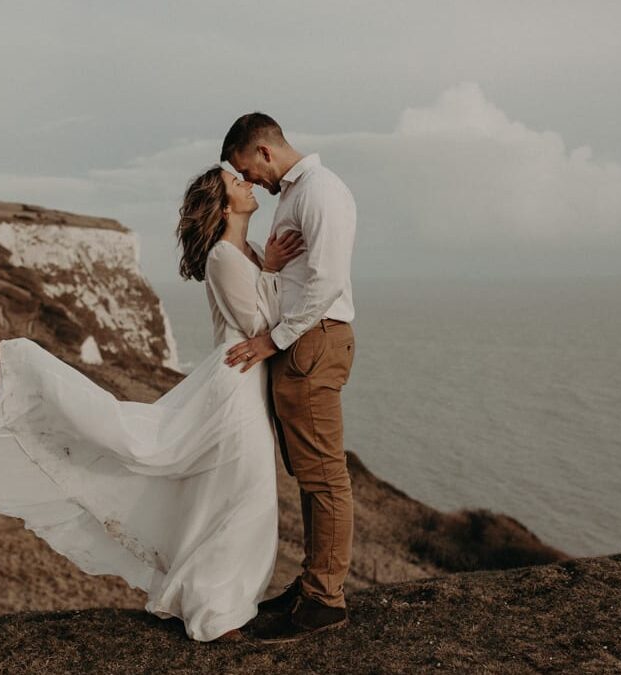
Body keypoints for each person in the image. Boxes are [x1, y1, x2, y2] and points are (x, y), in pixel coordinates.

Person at [0, 163, 303, 642]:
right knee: (240, 496)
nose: (250, 184)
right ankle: (216, 613)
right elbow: (259, 322)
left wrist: (268, 265)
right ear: (222, 205)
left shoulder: (248, 251)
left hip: (246, 383)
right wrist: (275, 270)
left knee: (237, 496)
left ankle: (221, 601)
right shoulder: (222, 255)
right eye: (238, 183)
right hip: (234, 388)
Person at [221, 113, 358, 643]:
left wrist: (270, 341)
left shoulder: (320, 191)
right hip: (303, 340)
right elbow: (294, 279)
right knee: (307, 470)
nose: (250, 181)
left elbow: (325, 281)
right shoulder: (295, 196)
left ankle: (326, 599)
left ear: (262, 150)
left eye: (247, 171)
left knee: (324, 473)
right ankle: (312, 583)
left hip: (314, 340)